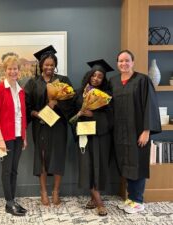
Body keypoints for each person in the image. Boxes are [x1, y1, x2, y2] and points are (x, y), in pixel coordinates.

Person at [109, 50, 161, 214]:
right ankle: (130, 199)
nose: (123, 64)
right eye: (120, 61)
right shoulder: (113, 81)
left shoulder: (143, 80)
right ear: (117, 63)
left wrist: (146, 131)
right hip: (119, 131)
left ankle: (138, 201)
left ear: (133, 62)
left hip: (137, 131)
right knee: (126, 163)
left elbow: (149, 106)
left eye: (127, 60)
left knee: (136, 164)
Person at [25, 45, 73, 206]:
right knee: (42, 157)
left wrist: (57, 103)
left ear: (55, 66)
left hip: (58, 124)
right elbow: (27, 106)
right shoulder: (33, 83)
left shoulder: (63, 81)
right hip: (41, 124)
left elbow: (71, 103)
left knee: (58, 156)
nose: (49, 68)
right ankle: (43, 192)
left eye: (52, 65)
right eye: (46, 65)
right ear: (41, 66)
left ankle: (55, 191)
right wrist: (36, 113)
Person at [72, 59, 113, 216]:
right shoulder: (78, 93)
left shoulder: (107, 96)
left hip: (100, 136)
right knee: (88, 165)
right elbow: (71, 115)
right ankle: (98, 201)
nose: (96, 78)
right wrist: (79, 114)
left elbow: (110, 117)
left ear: (103, 80)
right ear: (89, 76)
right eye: (94, 75)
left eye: (100, 77)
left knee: (98, 165)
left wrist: (93, 114)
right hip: (84, 134)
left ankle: (95, 198)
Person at [0, 52, 27, 216]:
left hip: (18, 136)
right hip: (5, 137)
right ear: (5, 70)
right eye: (10, 69)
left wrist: (24, 137)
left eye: (15, 69)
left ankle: (12, 200)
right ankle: (9, 202)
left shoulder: (20, 90)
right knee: (6, 171)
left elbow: (22, 115)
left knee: (14, 170)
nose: (13, 72)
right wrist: (0, 139)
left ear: (19, 70)